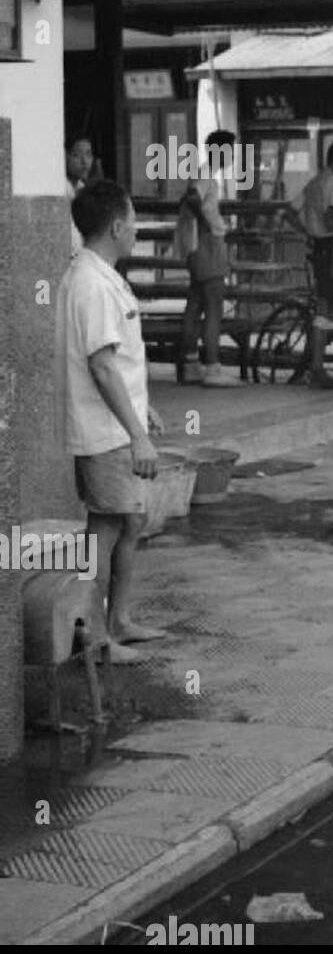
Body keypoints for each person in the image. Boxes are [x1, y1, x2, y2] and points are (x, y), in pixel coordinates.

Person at [55, 180, 167, 664]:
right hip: (106, 435)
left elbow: (117, 363)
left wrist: (143, 409)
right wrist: (137, 435)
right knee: (106, 526)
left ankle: (117, 619)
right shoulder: (92, 283)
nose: (136, 228)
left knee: (130, 520)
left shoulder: (99, 275)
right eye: (134, 220)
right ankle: (96, 638)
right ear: (118, 225)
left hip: (116, 426)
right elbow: (101, 366)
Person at [284, 137, 333, 387]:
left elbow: (289, 211)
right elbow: (332, 220)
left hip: (320, 251)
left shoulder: (314, 182)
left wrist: (307, 231)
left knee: (324, 309)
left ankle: (317, 367)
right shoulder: (332, 185)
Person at [173, 129, 242, 387]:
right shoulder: (206, 176)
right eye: (231, 151)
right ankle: (213, 366)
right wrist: (206, 224)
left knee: (195, 305)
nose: (233, 156)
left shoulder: (202, 172)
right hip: (208, 243)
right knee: (214, 306)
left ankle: (191, 364)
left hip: (194, 246)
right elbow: (192, 198)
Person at [65, 136, 95, 259]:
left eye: (88, 154)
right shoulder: (60, 190)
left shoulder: (82, 189)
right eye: (76, 155)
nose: (84, 161)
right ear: (65, 157)